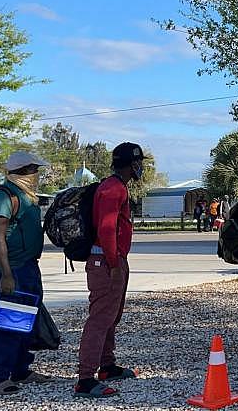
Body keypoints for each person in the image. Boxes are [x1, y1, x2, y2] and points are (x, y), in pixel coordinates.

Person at [74, 142, 144, 398]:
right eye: (138, 163)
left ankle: (106, 365)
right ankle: (85, 378)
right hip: (105, 261)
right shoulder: (114, 189)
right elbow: (106, 229)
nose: (141, 168)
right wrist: (114, 264)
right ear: (131, 164)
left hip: (109, 259)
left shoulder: (114, 186)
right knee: (100, 318)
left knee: (110, 316)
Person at [0, 152, 53, 396]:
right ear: (23, 171)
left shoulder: (26, 197)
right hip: (11, 269)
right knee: (8, 323)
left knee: (26, 322)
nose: (36, 175)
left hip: (28, 266)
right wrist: (6, 273)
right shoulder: (3, 196)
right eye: (33, 170)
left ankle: (21, 369)